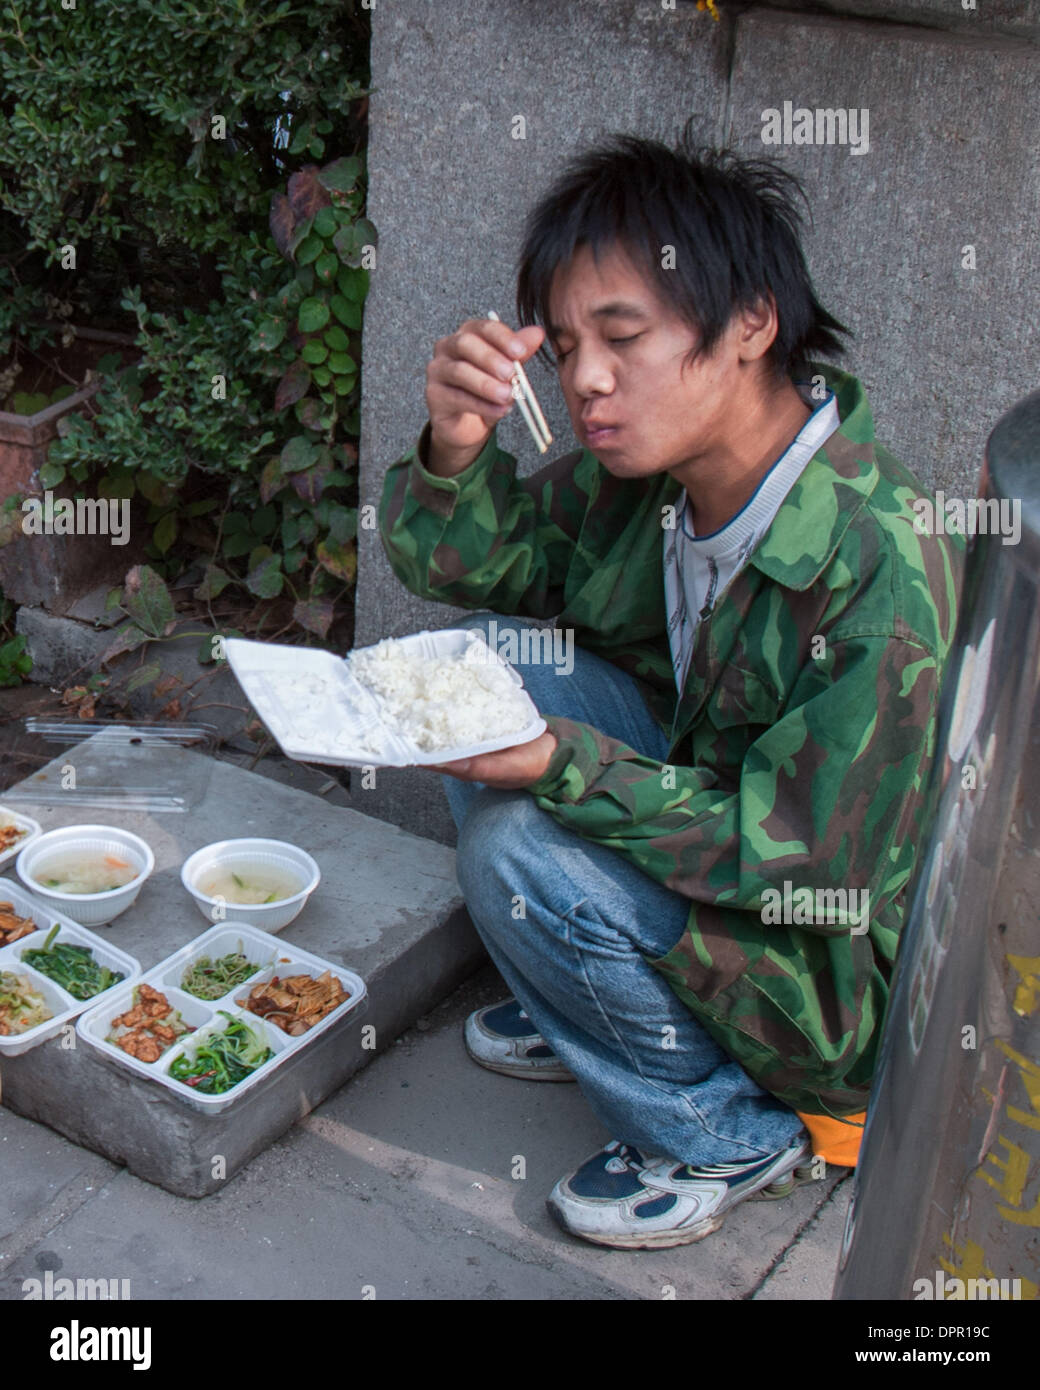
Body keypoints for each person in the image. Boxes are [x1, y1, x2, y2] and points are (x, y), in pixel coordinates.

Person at [378, 132, 965, 1249]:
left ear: (750, 321)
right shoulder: (643, 480)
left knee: (516, 849)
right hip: (702, 830)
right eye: (562, 349)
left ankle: (726, 1125)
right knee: (479, 668)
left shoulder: (878, 560)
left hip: (819, 962)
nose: (585, 379)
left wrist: (563, 766)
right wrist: (455, 445)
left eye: (622, 336)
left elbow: (798, 853)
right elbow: (473, 566)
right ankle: (598, 999)